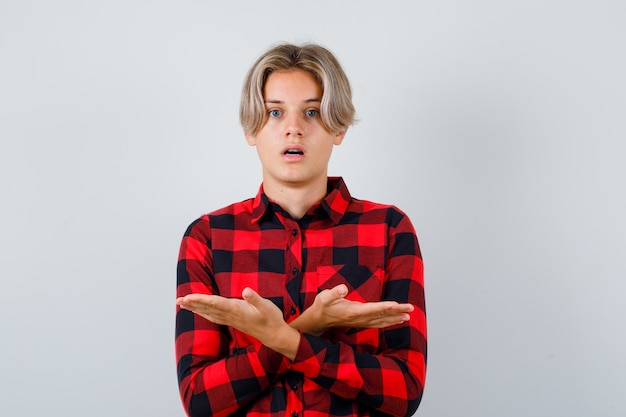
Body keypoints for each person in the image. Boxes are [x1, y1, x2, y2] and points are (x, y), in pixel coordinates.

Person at [175, 43, 426, 417]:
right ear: (251, 129)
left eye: (312, 112)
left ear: (337, 127)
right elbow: (200, 399)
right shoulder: (208, 237)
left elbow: (403, 390)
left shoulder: (389, 230)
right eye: (275, 112)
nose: (294, 128)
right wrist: (312, 326)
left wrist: (280, 337)